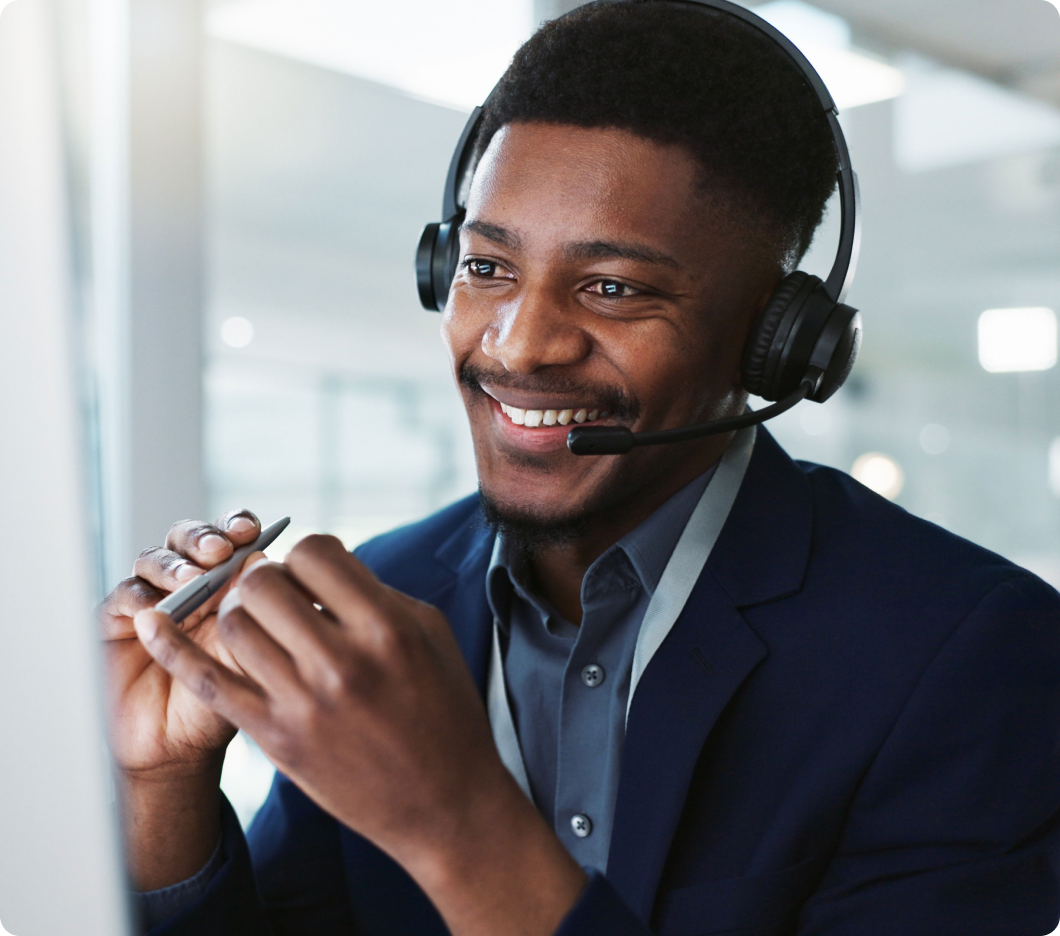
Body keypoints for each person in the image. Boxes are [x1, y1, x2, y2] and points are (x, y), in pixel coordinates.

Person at [100, 2, 1060, 934]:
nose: (519, 345)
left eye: (612, 287)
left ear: (774, 342)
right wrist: (160, 789)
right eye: (487, 268)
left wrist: (454, 819)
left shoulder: (971, 656)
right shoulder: (388, 595)